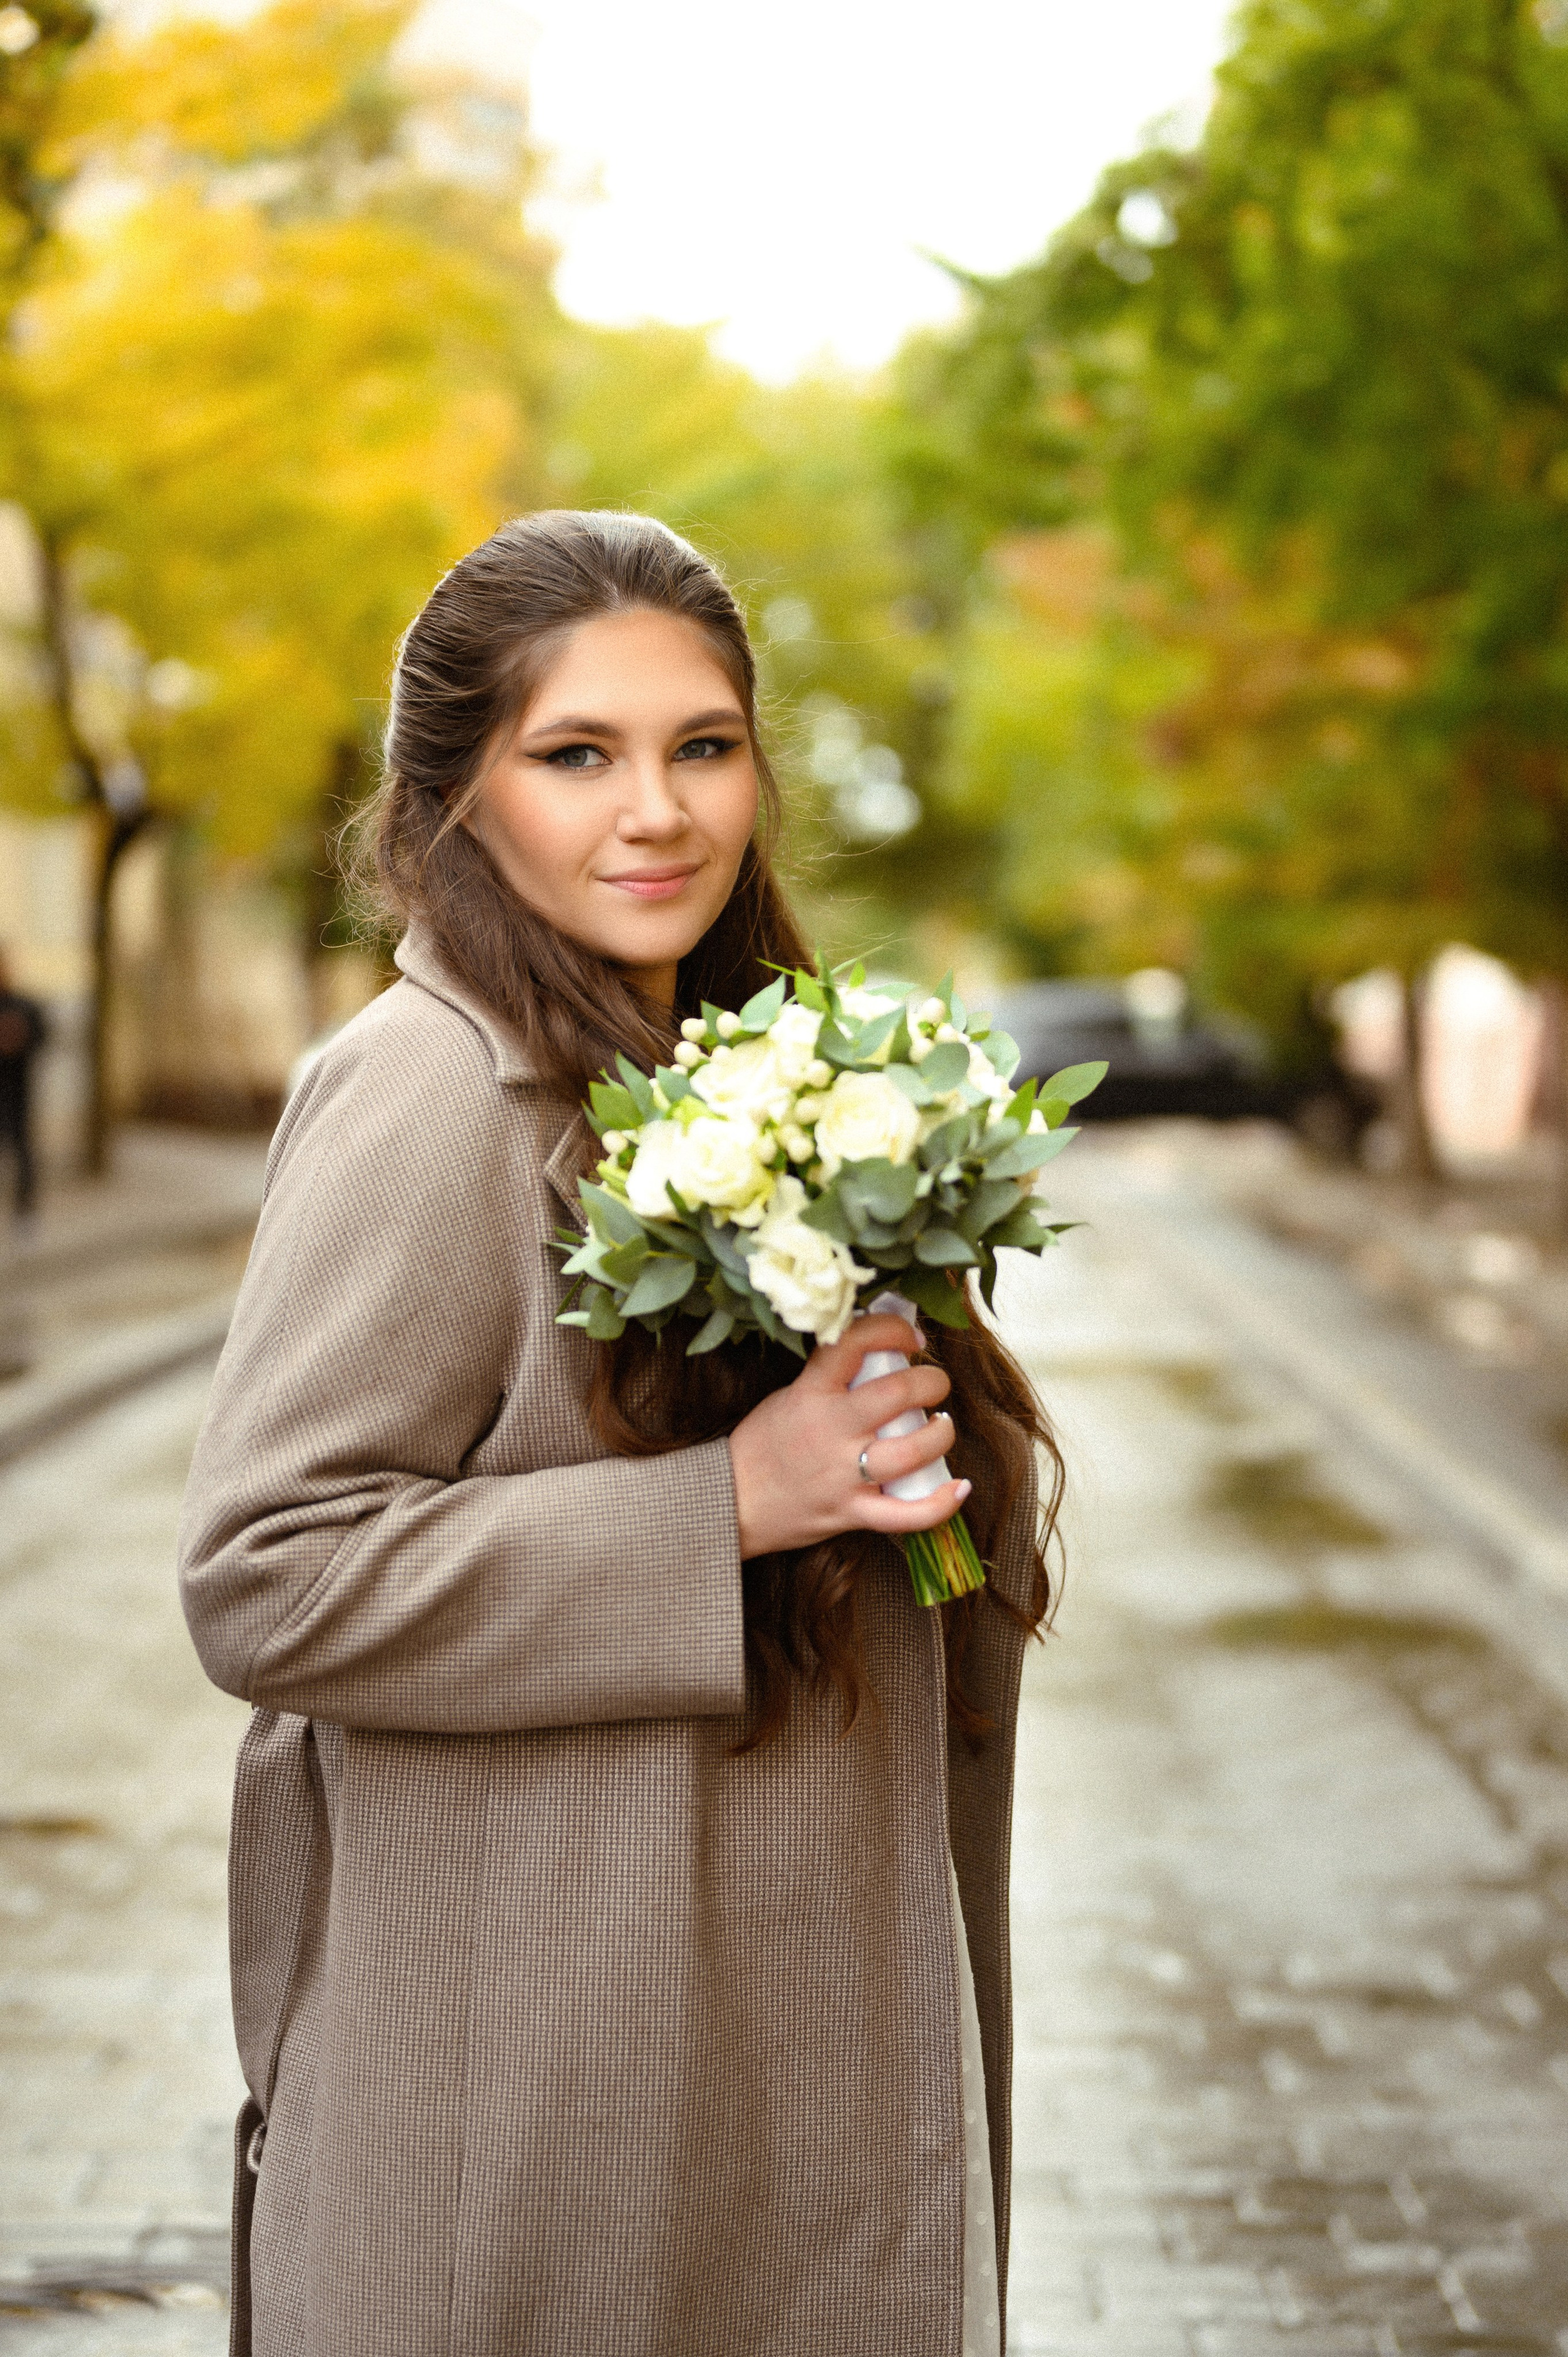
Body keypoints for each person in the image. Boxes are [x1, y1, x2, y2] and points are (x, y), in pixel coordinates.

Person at [177, 511, 1062, 2357]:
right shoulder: (431, 1090)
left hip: (754, 2081)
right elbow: (268, 1575)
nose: (656, 811)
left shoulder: (744, 1064)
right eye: (576, 753)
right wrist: (727, 1500)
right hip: (542, 2132)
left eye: (702, 746)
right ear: (455, 797)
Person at [0, 949, 45, 1223]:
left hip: (18, 1091)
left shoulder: (25, 1006)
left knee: (23, 1148)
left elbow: (41, 1038)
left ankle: (25, 1206)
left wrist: (19, 1040)